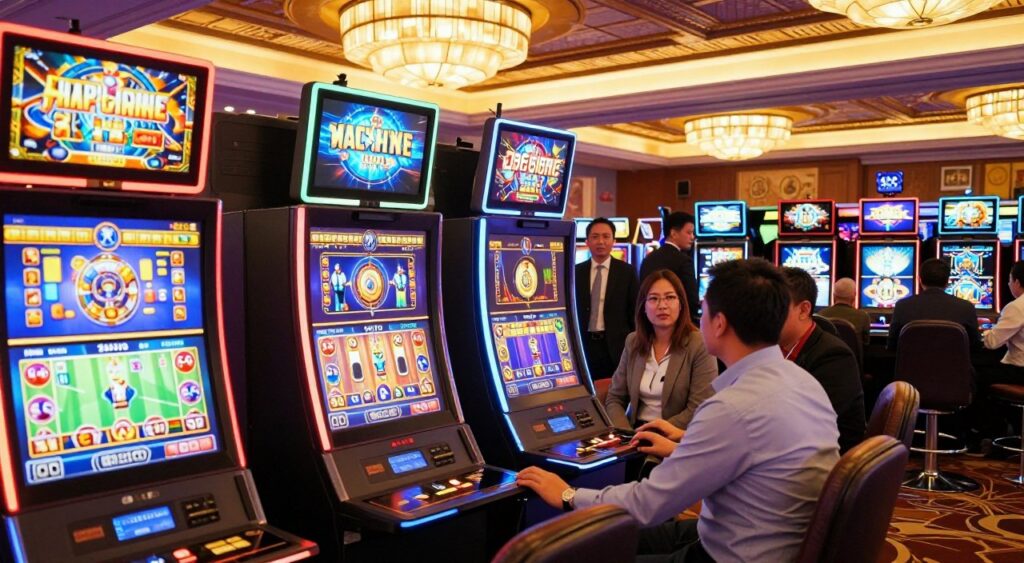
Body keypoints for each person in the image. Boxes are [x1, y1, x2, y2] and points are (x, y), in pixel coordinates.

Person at [517, 259, 839, 562]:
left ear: (719, 323)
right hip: (753, 534)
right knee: (606, 540)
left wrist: (567, 494)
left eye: (703, 309)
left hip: (732, 553)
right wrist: (684, 442)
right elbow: (750, 450)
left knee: (585, 553)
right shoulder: (804, 383)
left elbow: (648, 505)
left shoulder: (731, 408)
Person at [605, 270, 717, 431]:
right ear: (643, 306)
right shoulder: (634, 341)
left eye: (670, 297)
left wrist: (652, 433)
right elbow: (615, 398)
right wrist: (625, 434)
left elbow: (699, 407)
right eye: (653, 298)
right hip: (634, 435)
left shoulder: (699, 344)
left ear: (681, 304)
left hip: (676, 438)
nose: (662, 305)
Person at [780, 267, 866, 454]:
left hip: (827, 464)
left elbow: (804, 426)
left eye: (775, 308)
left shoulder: (834, 356)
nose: (765, 317)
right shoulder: (774, 347)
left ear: (804, 310)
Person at [575, 217, 639, 379]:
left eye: (606, 236)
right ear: (587, 241)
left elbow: (635, 312)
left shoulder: (627, 272)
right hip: (584, 344)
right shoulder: (576, 272)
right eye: (595, 237)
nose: (600, 242)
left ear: (614, 241)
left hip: (616, 346)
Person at [886, 258, 981, 352]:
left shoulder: (902, 306)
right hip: (953, 366)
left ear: (920, 280)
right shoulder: (966, 307)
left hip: (912, 366)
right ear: (947, 281)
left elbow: (891, 347)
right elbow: (976, 347)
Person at [976, 261, 1024, 437]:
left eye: (1010, 280)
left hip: (1020, 372)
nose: (1009, 284)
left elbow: (992, 343)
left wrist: (985, 328)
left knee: (974, 376)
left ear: (1017, 282)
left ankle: (993, 433)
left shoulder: (1017, 306)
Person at [639, 211, 699, 321]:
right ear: (673, 233)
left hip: (650, 321)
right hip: (677, 324)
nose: (692, 237)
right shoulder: (683, 260)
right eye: (689, 233)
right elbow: (692, 301)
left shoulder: (648, 258)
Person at [818, 277, 871, 346]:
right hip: (852, 356)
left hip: (827, 356)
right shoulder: (863, 316)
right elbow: (866, 344)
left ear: (834, 296)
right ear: (854, 296)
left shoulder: (821, 315)